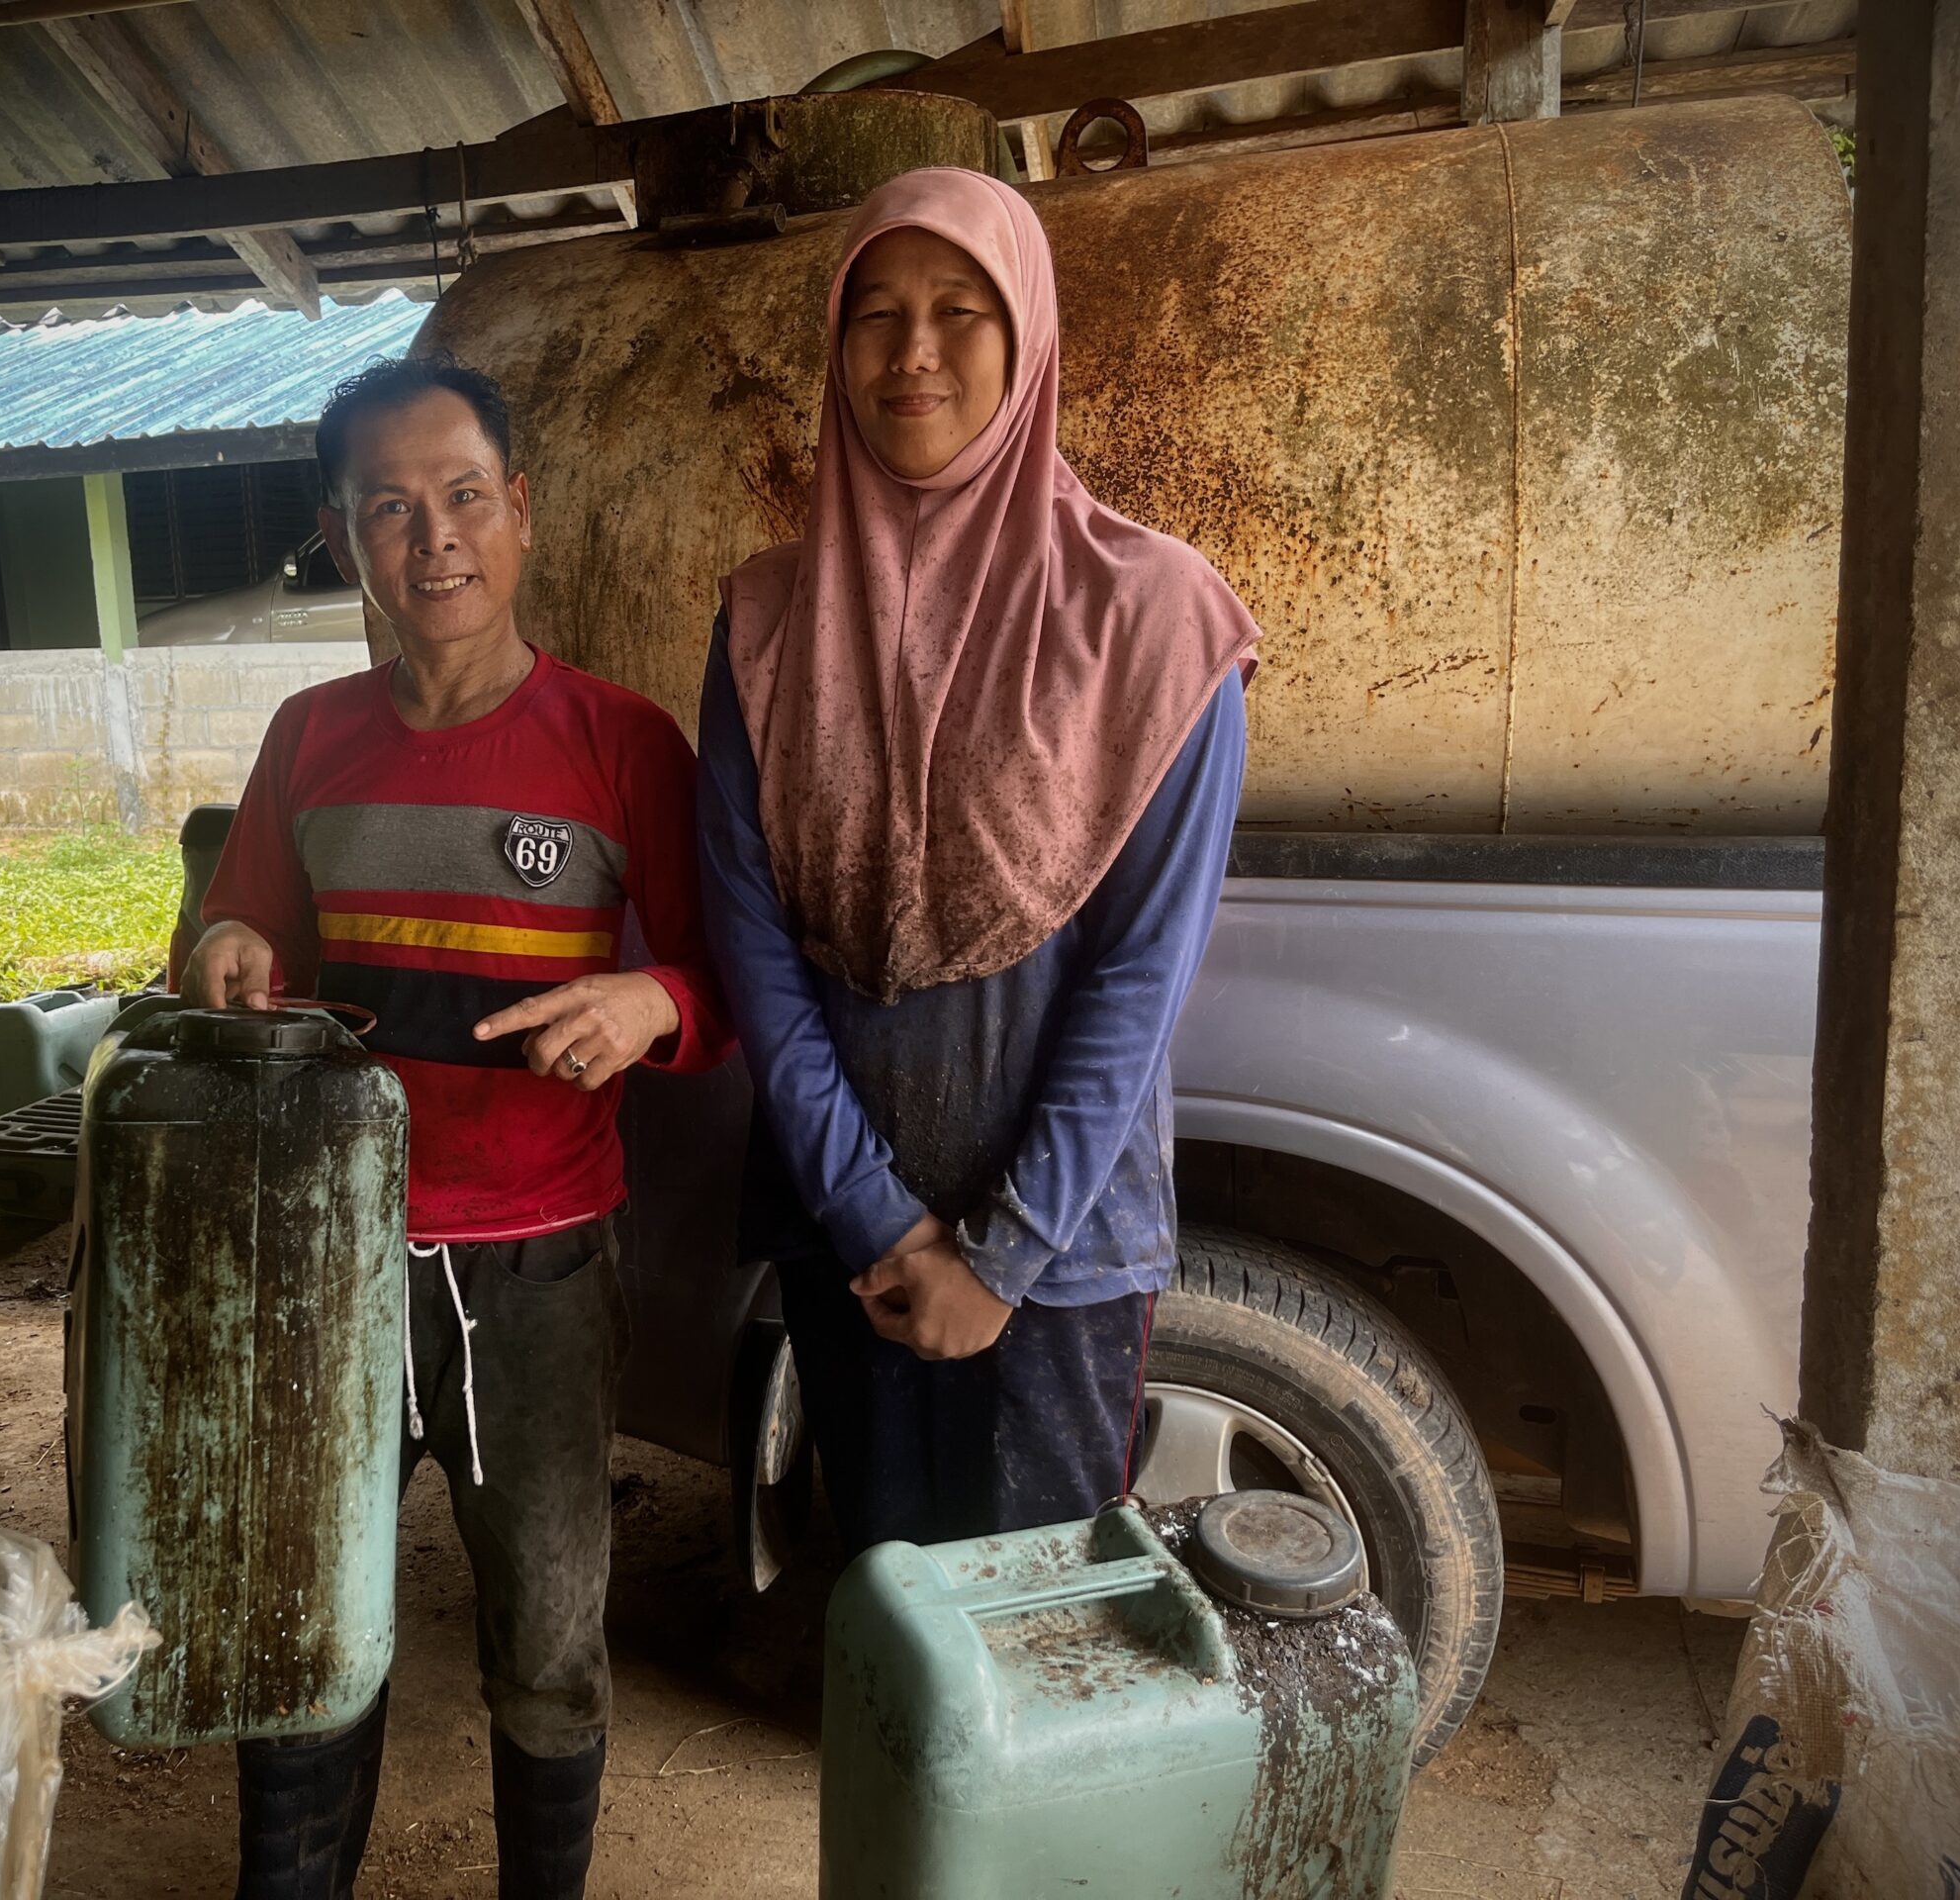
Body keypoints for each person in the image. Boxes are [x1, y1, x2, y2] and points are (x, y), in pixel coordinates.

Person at [184, 354, 731, 1900]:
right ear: (343, 536)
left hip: (541, 1275)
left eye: (465, 498)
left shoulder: (623, 744)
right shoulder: (308, 739)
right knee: (311, 1620)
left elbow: (721, 989)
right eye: (391, 509)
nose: (436, 540)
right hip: (329, 1261)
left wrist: (646, 1005)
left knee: (550, 1641)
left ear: (524, 515)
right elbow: (240, 943)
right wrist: (225, 963)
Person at [697, 168, 1261, 1556]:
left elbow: (1141, 971)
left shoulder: (1156, 620)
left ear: (1028, 340)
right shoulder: (768, 618)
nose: (914, 353)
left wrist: (1000, 1256)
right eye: (874, 315)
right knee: (889, 1621)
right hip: (850, 1242)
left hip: (1061, 1258)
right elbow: (752, 934)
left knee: (1040, 1646)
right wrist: (879, 1224)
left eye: (961, 309)